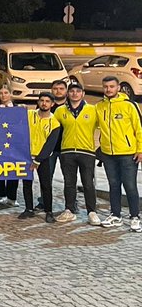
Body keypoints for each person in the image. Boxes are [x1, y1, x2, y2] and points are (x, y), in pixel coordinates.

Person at [94, 75, 142, 231]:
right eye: (106, 87)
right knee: (113, 185)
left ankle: (135, 217)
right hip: (108, 154)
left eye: (111, 86)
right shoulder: (99, 107)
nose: (108, 89)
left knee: (130, 186)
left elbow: (139, 129)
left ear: (118, 87)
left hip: (128, 154)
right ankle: (116, 215)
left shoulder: (129, 105)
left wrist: (140, 150)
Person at [53, 82, 99, 224]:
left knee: (88, 183)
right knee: (69, 183)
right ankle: (69, 210)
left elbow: (105, 128)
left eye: (78, 91)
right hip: (67, 152)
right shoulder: (60, 111)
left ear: (83, 93)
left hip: (87, 152)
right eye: (72, 91)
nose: (75, 94)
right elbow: (51, 129)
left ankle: (92, 212)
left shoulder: (92, 110)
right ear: (68, 93)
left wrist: (101, 149)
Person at [22, 93, 62, 222]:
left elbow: (50, 144)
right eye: (42, 101)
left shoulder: (55, 123)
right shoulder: (29, 115)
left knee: (46, 185)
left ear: (52, 104)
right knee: (26, 183)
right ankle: (28, 209)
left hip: (43, 158)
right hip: (27, 155)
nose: (44, 103)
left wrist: (38, 160)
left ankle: (48, 211)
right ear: (38, 102)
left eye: (47, 101)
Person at [0, 84, 20, 207]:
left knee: (13, 170)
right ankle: (1, 195)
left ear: (10, 94)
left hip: (14, 144)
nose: (3, 95)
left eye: (6, 93)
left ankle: (12, 196)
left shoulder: (18, 109)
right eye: (1, 93)